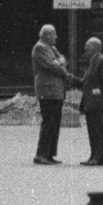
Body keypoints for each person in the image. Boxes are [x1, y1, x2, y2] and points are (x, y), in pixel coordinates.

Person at [32, 24, 74, 164]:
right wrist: (62, 67)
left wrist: (59, 62)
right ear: (47, 35)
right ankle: (41, 154)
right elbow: (52, 66)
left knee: (54, 123)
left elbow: (63, 60)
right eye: (54, 34)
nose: (56, 36)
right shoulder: (40, 47)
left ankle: (49, 153)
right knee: (49, 122)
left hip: (56, 91)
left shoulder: (51, 48)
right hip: (48, 90)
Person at [78, 37, 103, 166]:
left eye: (87, 47)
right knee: (92, 130)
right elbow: (87, 82)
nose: (85, 49)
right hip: (91, 102)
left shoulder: (100, 60)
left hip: (96, 103)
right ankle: (94, 155)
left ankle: (98, 156)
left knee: (97, 131)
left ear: (95, 48)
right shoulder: (92, 61)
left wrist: (100, 95)